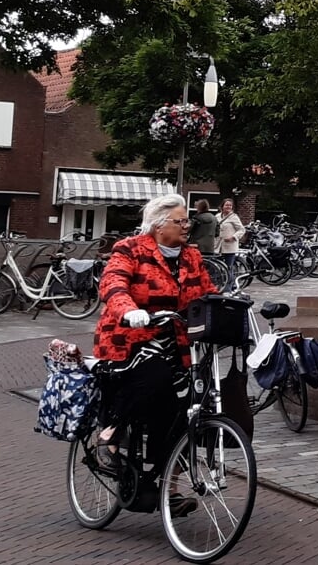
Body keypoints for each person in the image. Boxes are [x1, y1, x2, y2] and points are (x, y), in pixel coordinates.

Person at [92, 193, 219, 482]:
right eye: (181, 220)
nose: (187, 225)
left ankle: (167, 485)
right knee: (155, 380)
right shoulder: (130, 249)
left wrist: (229, 304)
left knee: (182, 407)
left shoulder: (191, 255)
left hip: (176, 339)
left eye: (187, 220)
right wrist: (128, 310)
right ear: (159, 225)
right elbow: (113, 283)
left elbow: (205, 292)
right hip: (130, 336)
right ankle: (110, 435)